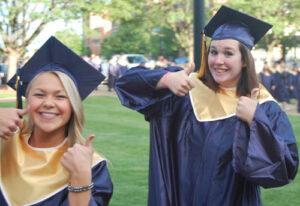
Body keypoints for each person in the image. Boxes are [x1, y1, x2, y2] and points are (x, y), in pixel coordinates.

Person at [115, 5, 298, 206]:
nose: (218, 61)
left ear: (245, 60)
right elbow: (125, 84)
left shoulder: (263, 106)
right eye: (214, 52)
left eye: (228, 53)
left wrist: (256, 121)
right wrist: (165, 79)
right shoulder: (186, 89)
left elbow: (284, 169)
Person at [0, 37, 113, 206]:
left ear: (73, 105)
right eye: (39, 94)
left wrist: (80, 178)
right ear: (27, 99)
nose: (48, 103)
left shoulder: (91, 165)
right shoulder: (6, 141)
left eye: (60, 96)